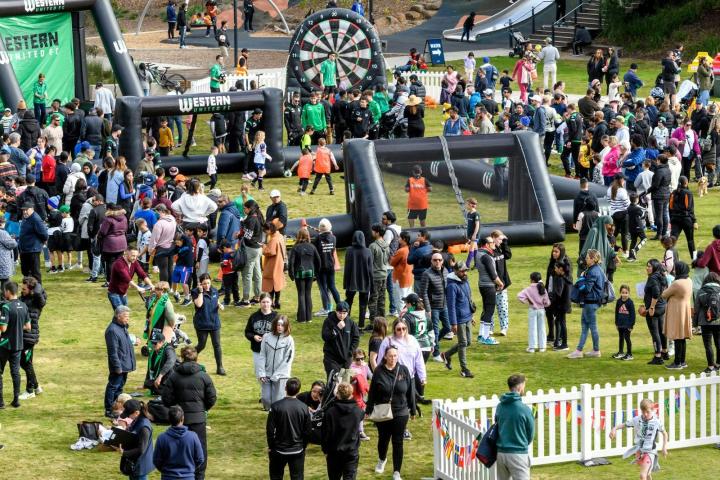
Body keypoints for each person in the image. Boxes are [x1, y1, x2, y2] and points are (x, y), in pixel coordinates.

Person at [161, 345, 216, 480]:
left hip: (180, 419)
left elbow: (166, 398)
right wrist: (202, 409)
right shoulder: (204, 377)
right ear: (196, 358)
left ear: (182, 358)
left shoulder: (174, 377)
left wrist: (176, 408)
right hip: (198, 420)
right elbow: (212, 398)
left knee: (178, 449)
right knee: (200, 450)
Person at [366, 346, 416, 480]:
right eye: (390, 356)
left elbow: (410, 390)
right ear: (385, 357)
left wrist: (413, 409)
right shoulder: (379, 371)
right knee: (383, 439)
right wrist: (368, 409)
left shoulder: (404, 370)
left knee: (398, 441)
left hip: (401, 411)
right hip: (383, 411)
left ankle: (396, 472)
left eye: (395, 355)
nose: (393, 358)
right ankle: (382, 459)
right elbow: (372, 392)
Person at [609, 399, 669, 479]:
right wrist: (614, 428)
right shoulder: (637, 420)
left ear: (653, 410)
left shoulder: (656, 422)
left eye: (647, 412)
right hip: (639, 452)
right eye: (643, 412)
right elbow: (624, 424)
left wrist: (664, 447)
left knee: (642, 475)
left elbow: (665, 433)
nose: (645, 414)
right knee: (647, 474)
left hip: (650, 452)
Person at [266, 377, 310, 480]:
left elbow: (270, 429)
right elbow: (307, 431)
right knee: (297, 477)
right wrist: (303, 446)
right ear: (299, 390)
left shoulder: (276, 406)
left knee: (276, 476)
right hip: (297, 450)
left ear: (285, 388)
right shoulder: (304, 407)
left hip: (279, 450)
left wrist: (271, 446)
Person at [568, 249, 606, 359]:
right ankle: (583, 350)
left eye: (587, 258)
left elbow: (586, 288)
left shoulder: (593, 271)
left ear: (593, 259)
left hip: (590, 303)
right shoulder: (597, 269)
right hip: (591, 302)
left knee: (590, 327)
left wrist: (580, 278)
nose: (585, 259)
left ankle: (591, 350)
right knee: (586, 326)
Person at [495, 374, 534, 480]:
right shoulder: (524, 409)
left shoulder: (500, 407)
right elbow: (530, 434)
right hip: (518, 454)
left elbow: (497, 426)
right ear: (520, 387)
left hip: (501, 453)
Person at [440, 263, 475, 377]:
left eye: (465, 271)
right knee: (463, 342)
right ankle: (464, 369)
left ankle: (446, 355)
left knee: (468, 342)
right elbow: (451, 306)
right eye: (462, 271)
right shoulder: (451, 286)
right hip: (459, 319)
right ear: (455, 271)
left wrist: (472, 315)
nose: (464, 273)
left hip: (467, 316)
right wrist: (453, 323)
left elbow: (469, 298)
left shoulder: (465, 281)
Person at [153, 405, 205, 480]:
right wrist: (190, 470)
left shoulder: (162, 438)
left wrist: (166, 471)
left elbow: (157, 460)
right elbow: (200, 459)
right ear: (182, 418)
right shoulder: (193, 437)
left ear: (169, 419)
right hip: (188, 477)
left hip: (168, 477)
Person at [104, 305, 136, 417]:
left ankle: (116, 407)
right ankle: (109, 409)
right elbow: (113, 352)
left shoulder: (122, 327)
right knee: (113, 387)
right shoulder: (112, 330)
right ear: (118, 316)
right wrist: (117, 367)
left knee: (119, 387)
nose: (128, 318)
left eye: (128, 316)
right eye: (126, 316)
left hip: (124, 364)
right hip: (119, 366)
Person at [258, 315, 295, 411]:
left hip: (281, 377)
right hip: (267, 374)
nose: (280, 327)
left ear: (286, 326)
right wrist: (261, 373)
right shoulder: (266, 337)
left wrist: (277, 375)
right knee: (266, 399)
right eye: (278, 325)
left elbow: (288, 359)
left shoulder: (289, 340)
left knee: (277, 402)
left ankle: (275, 418)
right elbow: (262, 355)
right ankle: (268, 409)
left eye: (282, 325)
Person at [192, 273, 224, 375]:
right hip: (202, 323)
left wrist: (219, 305)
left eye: (208, 283)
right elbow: (199, 304)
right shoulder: (195, 292)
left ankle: (220, 367)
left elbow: (216, 300)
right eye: (204, 283)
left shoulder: (214, 290)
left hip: (214, 322)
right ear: (200, 284)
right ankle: (188, 357)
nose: (207, 285)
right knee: (202, 345)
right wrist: (201, 292)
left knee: (217, 345)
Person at [662, 261, 693, 369]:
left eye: (676, 269)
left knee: (677, 337)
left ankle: (677, 362)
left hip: (677, 311)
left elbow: (664, 294)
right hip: (685, 310)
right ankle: (682, 361)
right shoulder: (689, 280)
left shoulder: (677, 283)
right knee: (682, 337)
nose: (674, 271)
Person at [115, 399, 155, 479]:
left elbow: (141, 450)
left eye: (129, 415)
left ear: (137, 413)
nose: (128, 417)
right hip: (135, 463)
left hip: (140, 467)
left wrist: (124, 453)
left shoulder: (144, 427)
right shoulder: (136, 420)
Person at [288, 228, 320, 323]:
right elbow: (318, 261)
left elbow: (291, 263)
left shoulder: (295, 247)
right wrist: (316, 274)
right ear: (308, 236)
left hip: (299, 273)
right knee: (308, 294)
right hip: (310, 272)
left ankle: (302, 318)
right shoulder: (312, 247)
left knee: (301, 294)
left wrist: (291, 275)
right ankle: (309, 318)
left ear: (299, 236)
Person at [475, 237, 503, 345]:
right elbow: (493, 274)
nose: (494, 245)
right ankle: (486, 337)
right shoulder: (486, 256)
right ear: (486, 244)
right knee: (490, 311)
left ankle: (481, 335)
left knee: (485, 309)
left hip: (482, 285)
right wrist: (500, 283)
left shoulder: (478, 254)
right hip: (488, 286)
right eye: (492, 243)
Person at [344, 231, 373, 329]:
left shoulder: (349, 250)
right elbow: (370, 270)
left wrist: (346, 282)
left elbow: (347, 268)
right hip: (364, 280)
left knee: (349, 301)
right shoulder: (367, 251)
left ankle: (346, 322)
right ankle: (361, 325)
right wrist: (372, 284)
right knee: (363, 304)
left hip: (352, 280)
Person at [322, 301, 360, 376]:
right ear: (336, 311)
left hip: (346, 359)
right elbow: (325, 337)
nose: (341, 315)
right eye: (339, 313)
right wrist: (336, 329)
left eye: (344, 313)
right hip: (331, 358)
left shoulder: (351, 323)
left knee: (345, 384)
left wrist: (350, 352)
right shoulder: (329, 321)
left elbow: (356, 338)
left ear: (348, 312)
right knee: (333, 382)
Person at [517, 272, 551, 353]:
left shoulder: (528, 289)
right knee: (542, 328)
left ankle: (532, 347)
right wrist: (544, 304)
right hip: (541, 310)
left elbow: (519, 296)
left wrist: (528, 301)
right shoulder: (543, 288)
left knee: (532, 328)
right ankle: (542, 347)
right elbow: (547, 302)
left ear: (531, 280)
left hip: (533, 310)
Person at [693, 272, 720, 373]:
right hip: (718, 321)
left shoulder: (701, 291)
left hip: (705, 322)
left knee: (708, 344)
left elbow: (696, 309)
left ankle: (710, 366)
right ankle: (718, 364)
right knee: (718, 343)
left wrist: (695, 324)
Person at [313, 218, 341, 315]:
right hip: (330, 265)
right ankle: (340, 306)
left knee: (323, 288)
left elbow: (315, 252)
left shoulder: (317, 239)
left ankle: (326, 308)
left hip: (321, 267)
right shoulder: (333, 238)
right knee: (332, 287)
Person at [240, 200, 264, 306]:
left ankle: (246, 299)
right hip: (258, 248)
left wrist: (241, 229)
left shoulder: (251, 219)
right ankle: (257, 296)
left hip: (251, 248)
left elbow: (248, 236)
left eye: (244, 208)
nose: (243, 210)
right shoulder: (258, 217)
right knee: (257, 272)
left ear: (249, 208)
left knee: (247, 274)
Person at [18, 203, 48, 283]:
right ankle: (27, 290)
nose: (24, 212)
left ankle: (38, 291)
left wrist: (40, 243)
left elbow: (44, 234)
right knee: (25, 272)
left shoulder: (36, 219)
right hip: (25, 249)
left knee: (35, 273)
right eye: (23, 210)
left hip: (33, 249)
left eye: (26, 210)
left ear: (32, 209)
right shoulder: (26, 217)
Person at [669, 176, 697, 258]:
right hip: (686, 219)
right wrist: (694, 221)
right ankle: (694, 259)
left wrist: (671, 218)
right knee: (690, 240)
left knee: (672, 240)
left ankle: (671, 258)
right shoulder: (688, 193)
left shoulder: (673, 193)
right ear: (686, 183)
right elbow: (690, 209)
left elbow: (670, 207)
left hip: (675, 218)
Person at [368, 223, 389, 322]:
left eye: (373, 230)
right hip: (384, 275)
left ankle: (373, 323)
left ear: (377, 233)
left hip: (375, 276)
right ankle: (382, 321)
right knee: (382, 300)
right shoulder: (386, 245)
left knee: (373, 300)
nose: (371, 232)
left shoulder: (373, 246)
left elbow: (370, 262)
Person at [262, 222, 285, 309]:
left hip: (273, 264)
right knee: (277, 284)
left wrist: (264, 247)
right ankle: (277, 301)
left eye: (265, 230)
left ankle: (271, 303)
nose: (265, 232)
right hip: (279, 263)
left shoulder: (274, 239)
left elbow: (270, 252)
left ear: (270, 229)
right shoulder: (280, 236)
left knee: (271, 284)